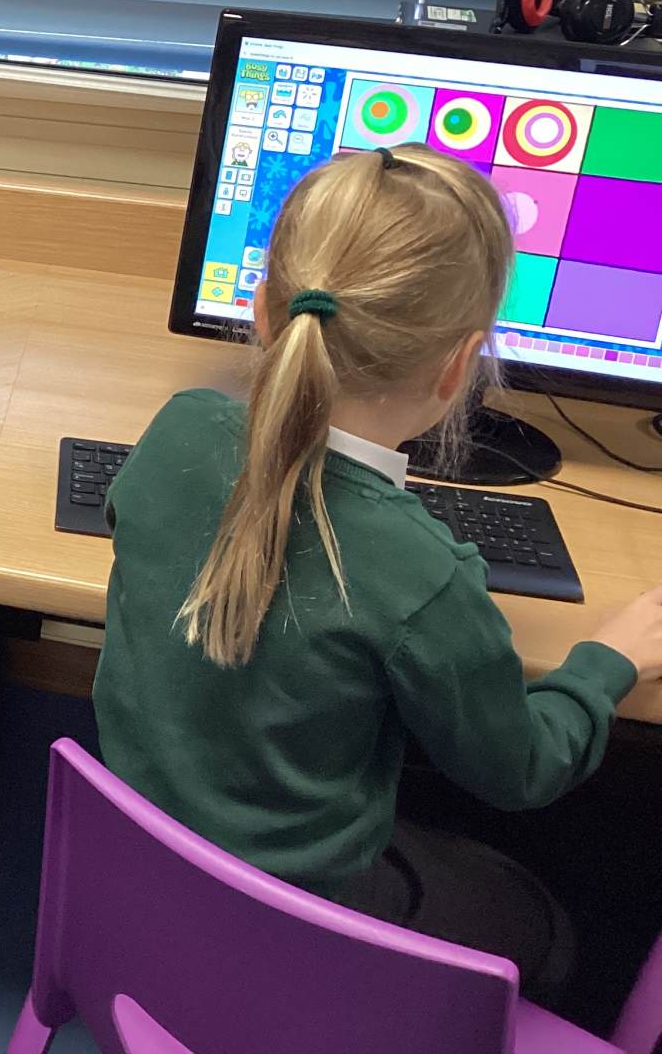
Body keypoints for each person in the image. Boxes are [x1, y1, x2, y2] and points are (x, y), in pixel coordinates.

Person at [95, 144, 662, 1000]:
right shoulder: (422, 574)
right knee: (555, 920)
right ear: (458, 365)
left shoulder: (179, 427)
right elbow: (523, 770)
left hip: (142, 880)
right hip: (300, 925)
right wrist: (605, 662)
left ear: (261, 312)